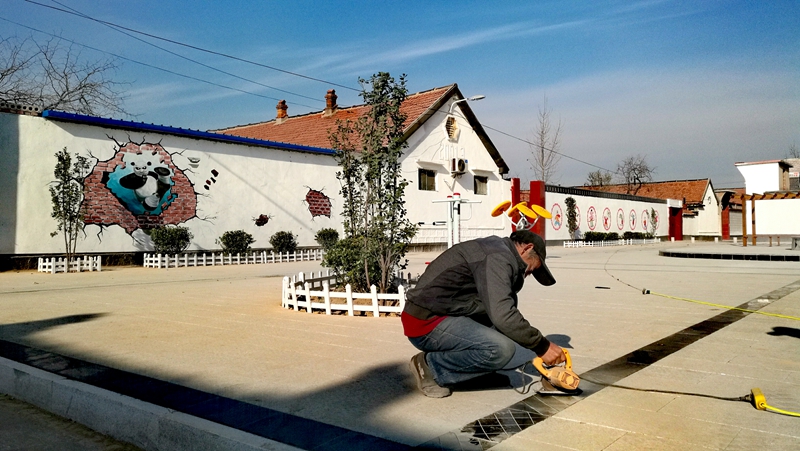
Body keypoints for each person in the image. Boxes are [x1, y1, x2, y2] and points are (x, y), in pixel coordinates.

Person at [403, 230, 565, 398]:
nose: (528, 273)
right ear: (527, 248)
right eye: (532, 267)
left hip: (446, 313)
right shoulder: (498, 257)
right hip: (426, 322)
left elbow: (503, 310)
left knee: (509, 332)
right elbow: (503, 315)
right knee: (500, 349)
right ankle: (430, 367)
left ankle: (478, 370)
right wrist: (542, 346)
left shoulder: (497, 249)